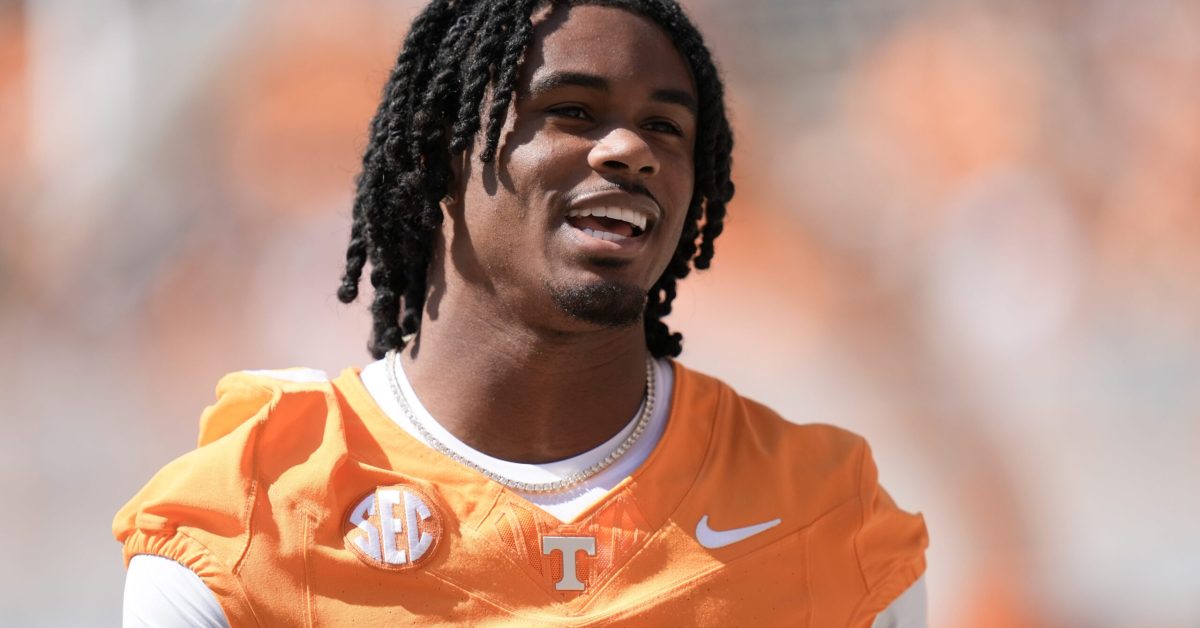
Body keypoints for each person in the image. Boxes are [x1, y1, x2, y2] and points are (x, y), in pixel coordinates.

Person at [115, 0, 929, 625]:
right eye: (571, 110)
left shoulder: (828, 515)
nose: (630, 149)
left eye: (665, 126)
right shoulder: (244, 523)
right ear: (438, 150)